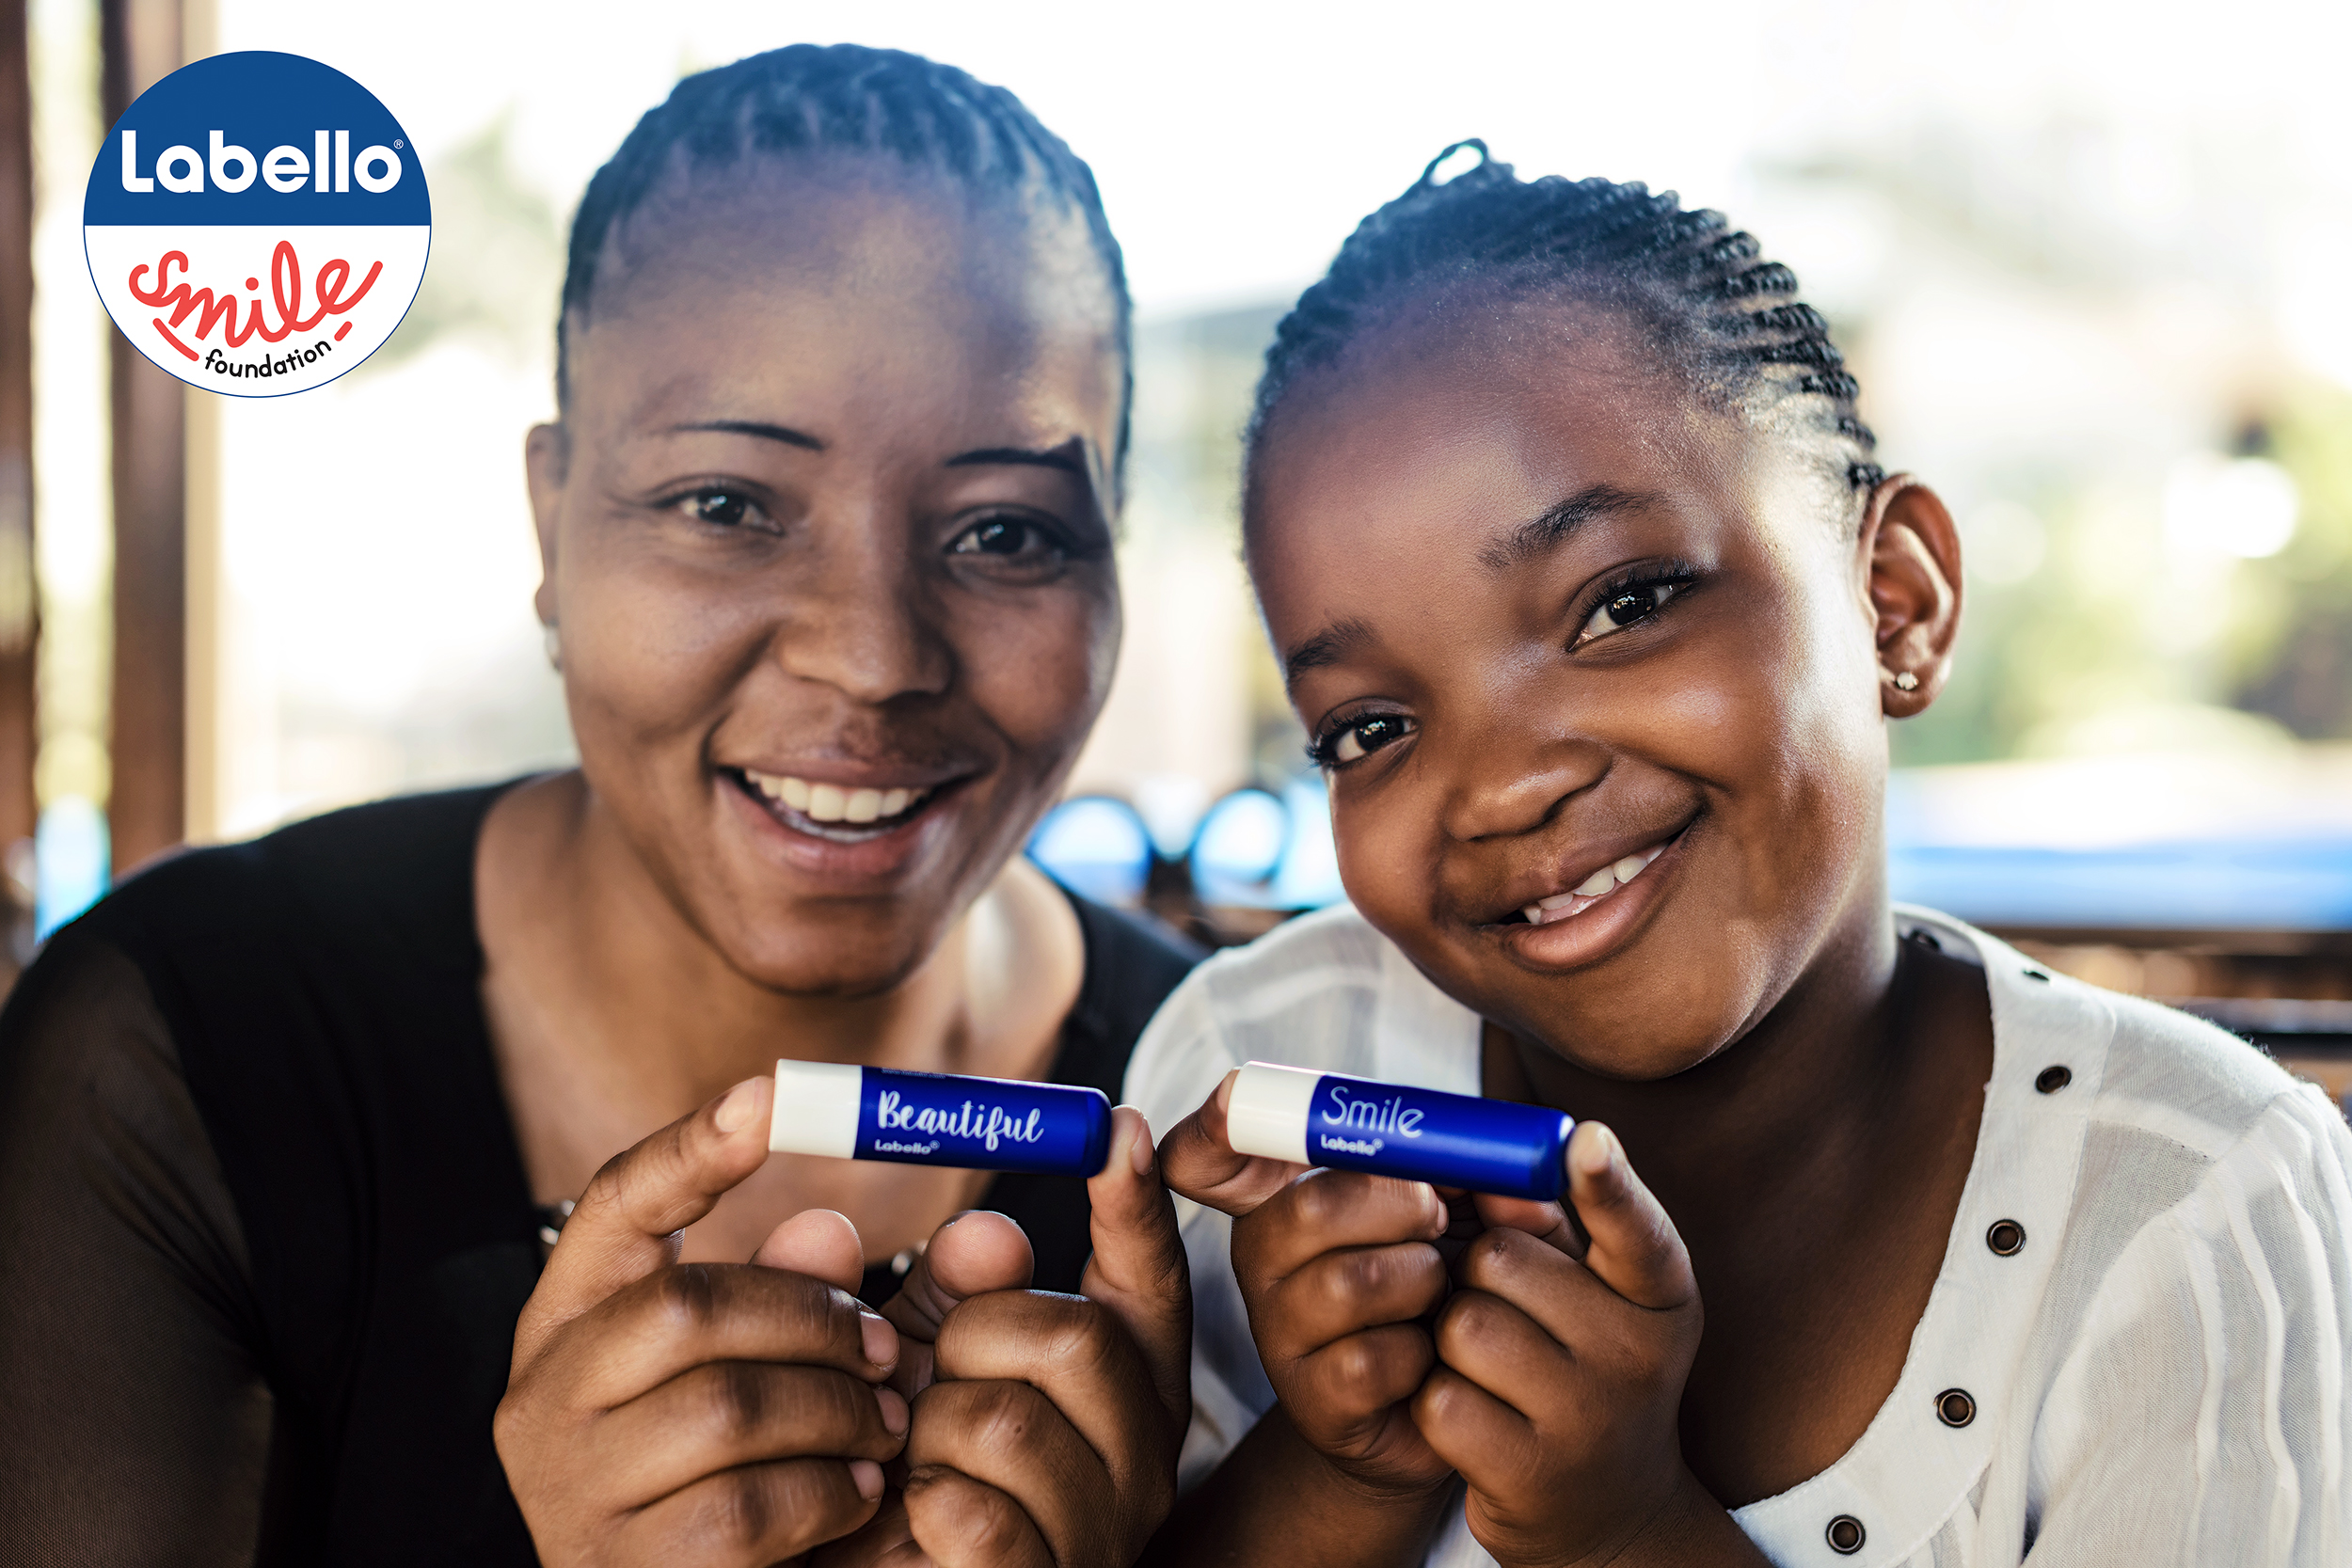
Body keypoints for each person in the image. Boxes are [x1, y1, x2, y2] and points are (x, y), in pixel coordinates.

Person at [0, 45, 1199, 1567]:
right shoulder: (187, 1042)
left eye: (1007, 531)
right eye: (728, 505)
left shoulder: (1218, 1094)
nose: (875, 657)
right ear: (550, 522)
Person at [1130, 142, 2352, 1567]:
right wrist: (1337, 1471)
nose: (1503, 788)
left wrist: (1624, 1534)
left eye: (1622, 604)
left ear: (1894, 602)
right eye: (1370, 728)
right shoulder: (1261, 1068)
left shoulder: (2190, 1209)